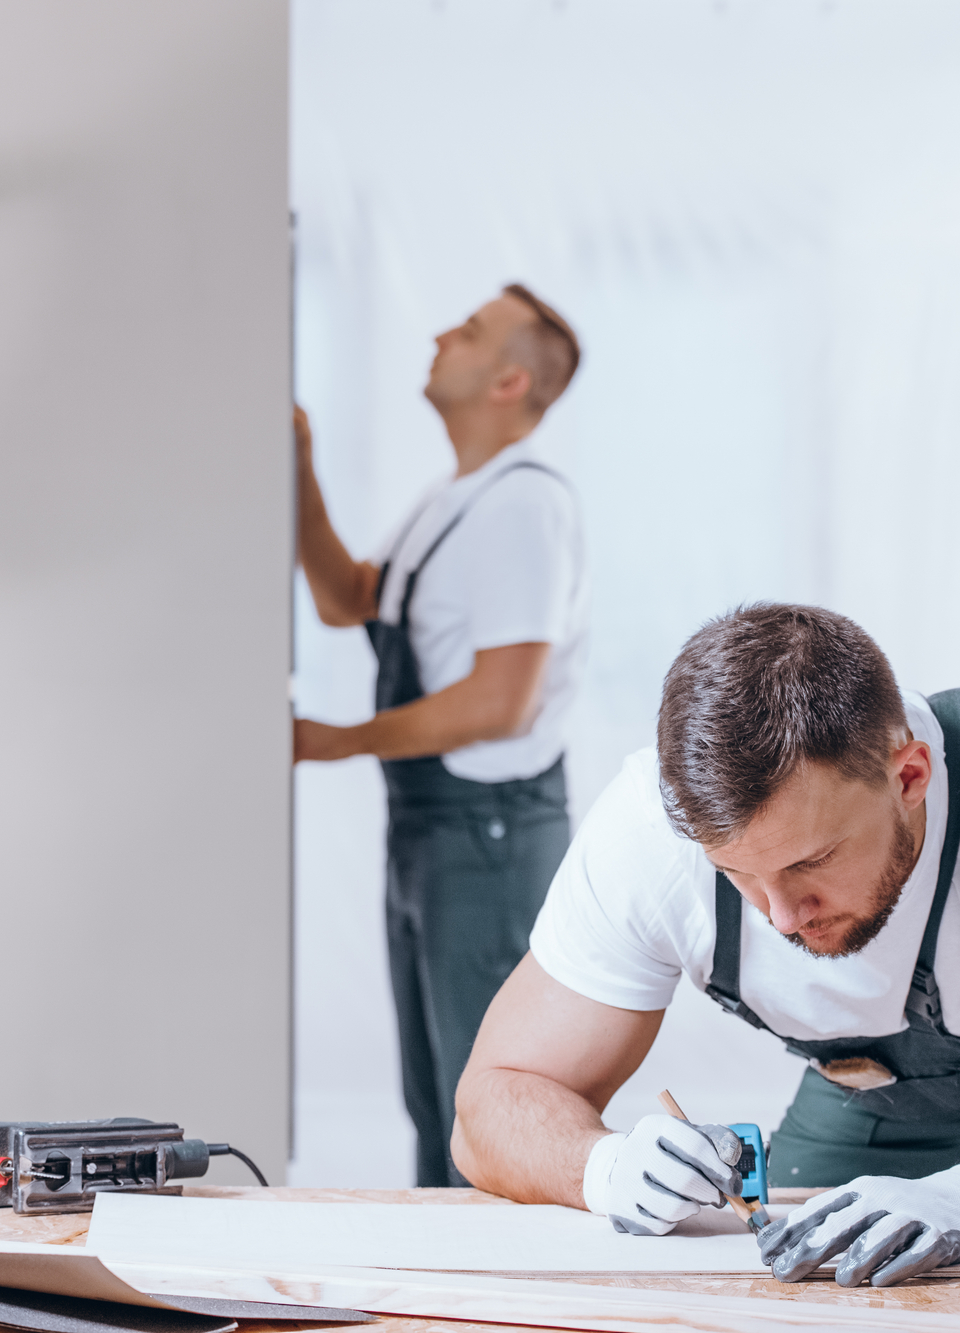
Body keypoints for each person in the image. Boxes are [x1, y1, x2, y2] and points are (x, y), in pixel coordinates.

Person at [452, 603, 960, 1330]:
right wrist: (604, 1165)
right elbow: (491, 1105)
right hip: (884, 1096)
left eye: (809, 862)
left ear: (909, 777)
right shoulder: (647, 838)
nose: (781, 916)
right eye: (737, 876)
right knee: (781, 1289)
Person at [293, 284, 588, 1186]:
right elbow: (350, 597)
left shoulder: (523, 508)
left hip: (486, 837)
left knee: (485, 1109)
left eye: (465, 332)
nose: (437, 334)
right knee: (436, 1100)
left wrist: (332, 739)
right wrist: (296, 465)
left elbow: (501, 701)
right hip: (433, 831)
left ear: (508, 380)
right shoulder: (455, 499)